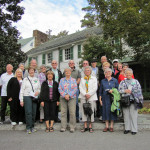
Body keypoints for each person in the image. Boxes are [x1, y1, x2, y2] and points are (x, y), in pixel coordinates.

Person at [119, 68, 143, 135]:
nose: (128, 74)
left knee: (133, 115)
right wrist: (125, 91)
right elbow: (119, 90)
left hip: (133, 100)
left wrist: (133, 91)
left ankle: (134, 129)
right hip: (125, 100)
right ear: (125, 74)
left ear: (132, 74)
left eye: (129, 73)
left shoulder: (135, 81)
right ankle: (127, 128)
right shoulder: (122, 82)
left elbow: (139, 90)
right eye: (127, 73)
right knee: (126, 115)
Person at [20, 67, 40, 134]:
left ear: (34, 72)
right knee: (28, 112)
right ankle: (28, 127)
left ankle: (32, 126)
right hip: (27, 96)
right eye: (30, 70)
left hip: (34, 97)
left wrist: (38, 92)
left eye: (33, 70)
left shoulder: (36, 79)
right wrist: (21, 100)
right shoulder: (25, 80)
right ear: (28, 72)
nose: (32, 71)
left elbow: (39, 88)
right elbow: (22, 90)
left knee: (34, 112)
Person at [99, 68, 119, 132]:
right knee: (105, 111)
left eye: (109, 72)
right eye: (106, 72)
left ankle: (111, 126)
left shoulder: (115, 80)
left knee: (112, 111)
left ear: (111, 73)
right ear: (104, 73)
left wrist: (113, 90)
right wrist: (100, 99)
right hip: (105, 98)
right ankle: (107, 126)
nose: (107, 73)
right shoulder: (103, 81)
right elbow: (100, 91)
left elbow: (118, 89)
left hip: (112, 98)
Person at [79, 66, 98, 133]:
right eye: (86, 70)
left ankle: (90, 126)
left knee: (91, 111)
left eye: (88, 70)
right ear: (84, 72)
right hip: (83, 96)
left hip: (91, 97)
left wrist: (89, 94)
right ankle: (85, 126)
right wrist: (85, 94)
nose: (87, 71)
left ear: (90, 71)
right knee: (84, 111)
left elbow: (95, 88)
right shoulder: (82, 79)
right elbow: (80, 88)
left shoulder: (94, 78)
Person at [58, 68, 77, 133]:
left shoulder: (74, 80)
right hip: (63, 98)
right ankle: (63, 127)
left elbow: (75, 89)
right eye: (66, 71)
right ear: (64, 73)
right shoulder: (62, 80)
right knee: (63, 112)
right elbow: (60, 88)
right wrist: (65, 95)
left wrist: (68, 95)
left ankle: (72, 127)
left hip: (72, 98)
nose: (67, 72)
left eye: (69, 71)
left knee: (72, 112)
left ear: (71, 72)